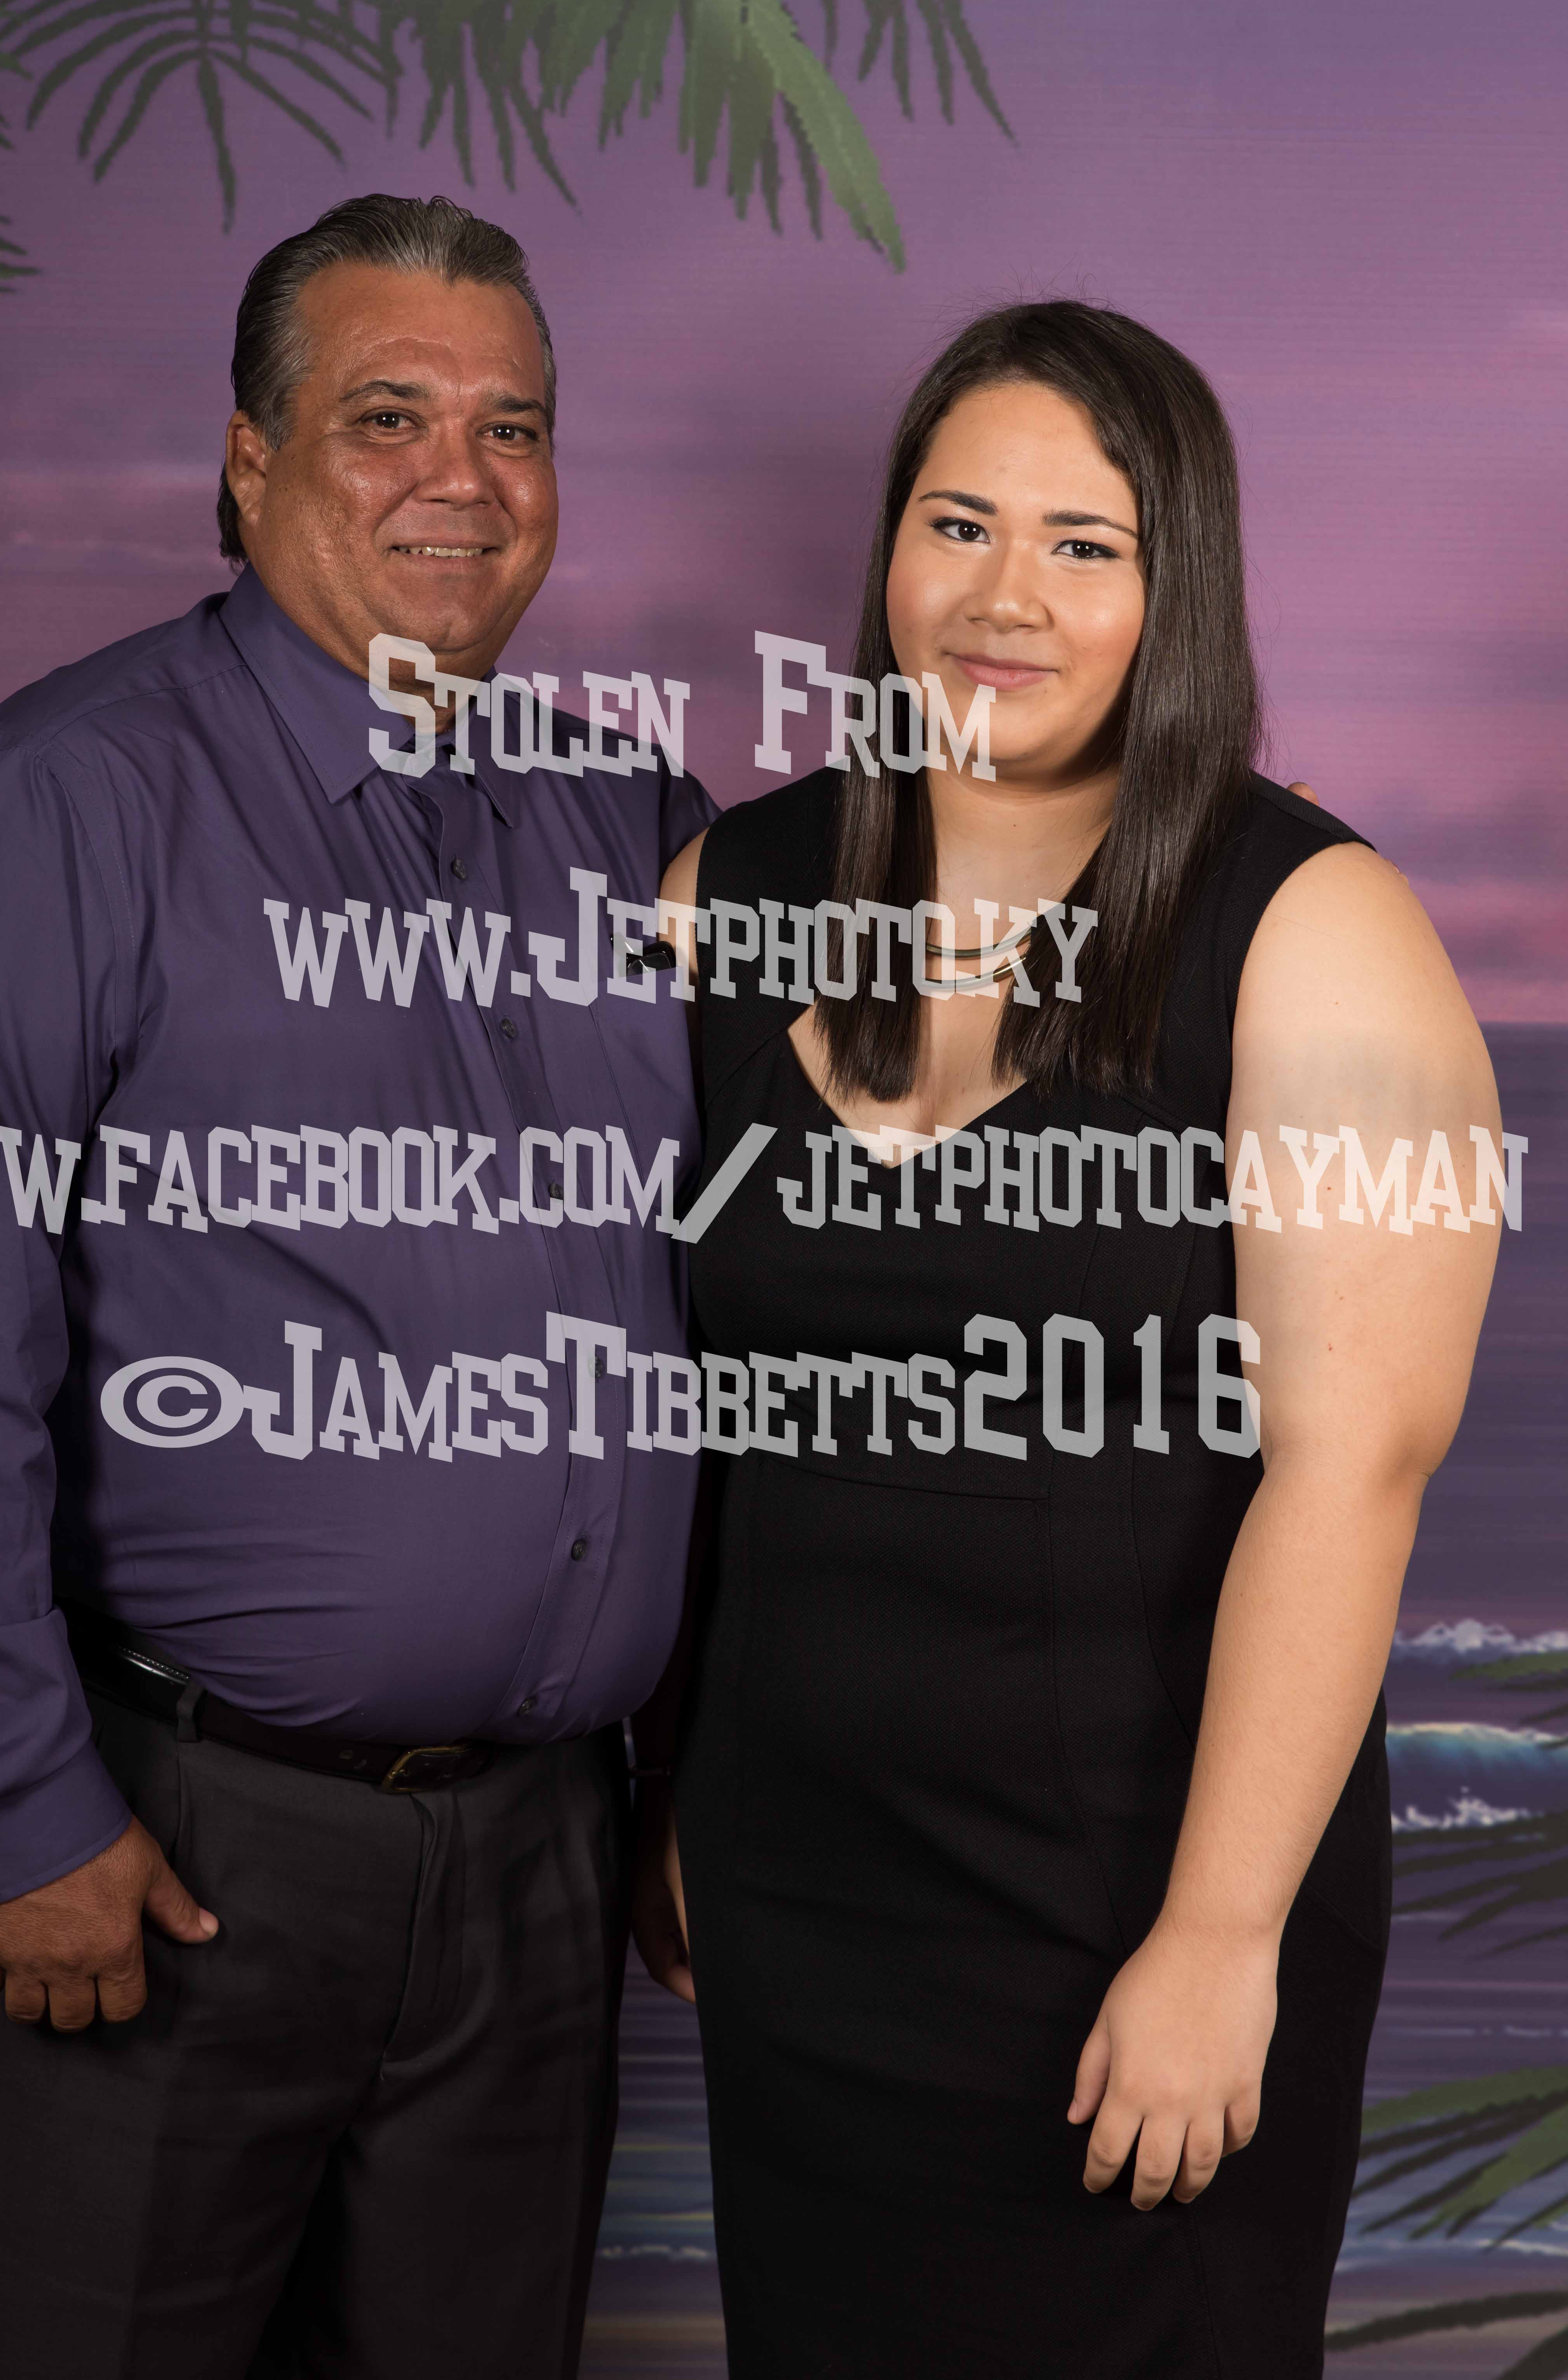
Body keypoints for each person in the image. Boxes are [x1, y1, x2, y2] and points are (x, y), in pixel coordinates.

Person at [0, 193, 714, 2380]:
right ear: (248, 455)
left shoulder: (630, 824)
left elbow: (745, 1283)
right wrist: (16, 1799)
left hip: (538, 1876)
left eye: (513, 428)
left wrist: (698, 1772)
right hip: (164, 1839)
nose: (461, 478)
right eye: (389, 416)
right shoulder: (65, 805)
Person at [631, 301, 1501, 2376]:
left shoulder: (1316, 931)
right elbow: (670, 1417)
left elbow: (1351, 1471)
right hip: (794, 1898)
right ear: (890, 551)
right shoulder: (720, 895)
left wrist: (1222, 1934)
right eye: (959, 524)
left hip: (1133, 1905)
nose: (1004, 595)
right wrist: (663, 1779)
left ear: (1175, 587)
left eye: (1084, 545)